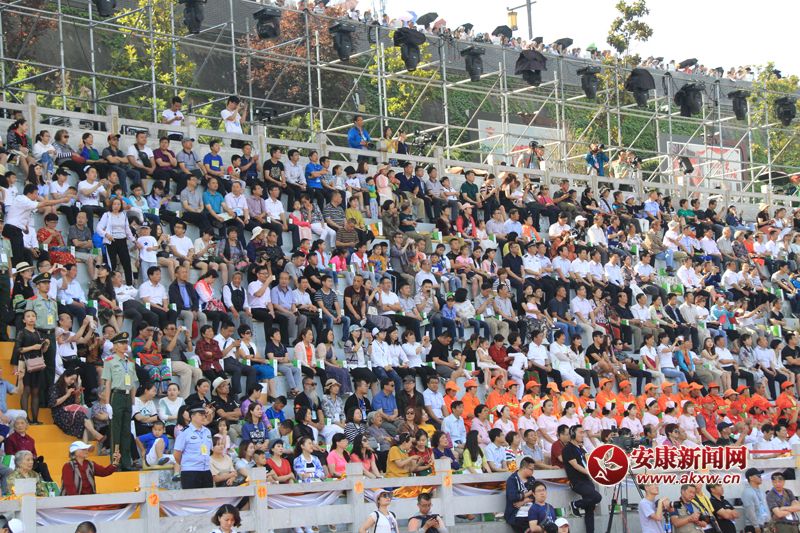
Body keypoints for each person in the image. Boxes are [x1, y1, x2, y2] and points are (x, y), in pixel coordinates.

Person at [101, 331, 138, 471]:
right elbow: (108, 383)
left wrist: (133, 402)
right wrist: (107, 403)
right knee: (115, 431)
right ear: (115, 346)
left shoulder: (130, 363)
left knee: (126, 431)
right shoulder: (110, 361)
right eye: (121, 343)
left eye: (126, 343)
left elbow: (133, 384)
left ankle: (126, 463)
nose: (124, 345)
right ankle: (115, 463)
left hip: (128, 397)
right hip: (116, 396)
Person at [563, 425, 601, 533]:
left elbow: (588, 462)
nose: (583, 435)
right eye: (580, 432)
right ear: (572, 434)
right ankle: (575, 504)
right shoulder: (568, 449)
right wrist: (590, 473)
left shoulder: (581, 448)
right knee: (597, 497)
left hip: (587, 481)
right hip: (577, 482)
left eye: (583, 432)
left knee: (590, 510)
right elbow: (575, 465)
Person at [173, 405, 213, 489]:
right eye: (200, 414)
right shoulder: (184, 432)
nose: (203, 417)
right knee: (191, 496)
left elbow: (209, 449)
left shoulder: (207, 431)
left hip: (206, 470)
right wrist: (186, 464)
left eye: (204, 414)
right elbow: (177, 453)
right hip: (190, 471)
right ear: (192, 416)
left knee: (208, 496)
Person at [504, 456, 536, 532]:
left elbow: (536, 495)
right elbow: (512, 497)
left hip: (531, 511)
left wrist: (524, 501)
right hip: (517, 513)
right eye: (531, 469)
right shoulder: (512, 480)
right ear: (524, 468)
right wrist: (529, 493)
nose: (533, 471)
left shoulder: (532, 479)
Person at [741, 468, 770, 533]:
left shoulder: (761, 492)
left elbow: (765, 508)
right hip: (753, 526)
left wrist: (769, 522)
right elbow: (750, 511)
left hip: (764, 524)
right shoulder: (747, 492)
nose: (760, 477)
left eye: (760, 476)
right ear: (750, 478)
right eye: (758, 476)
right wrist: (756, 526)